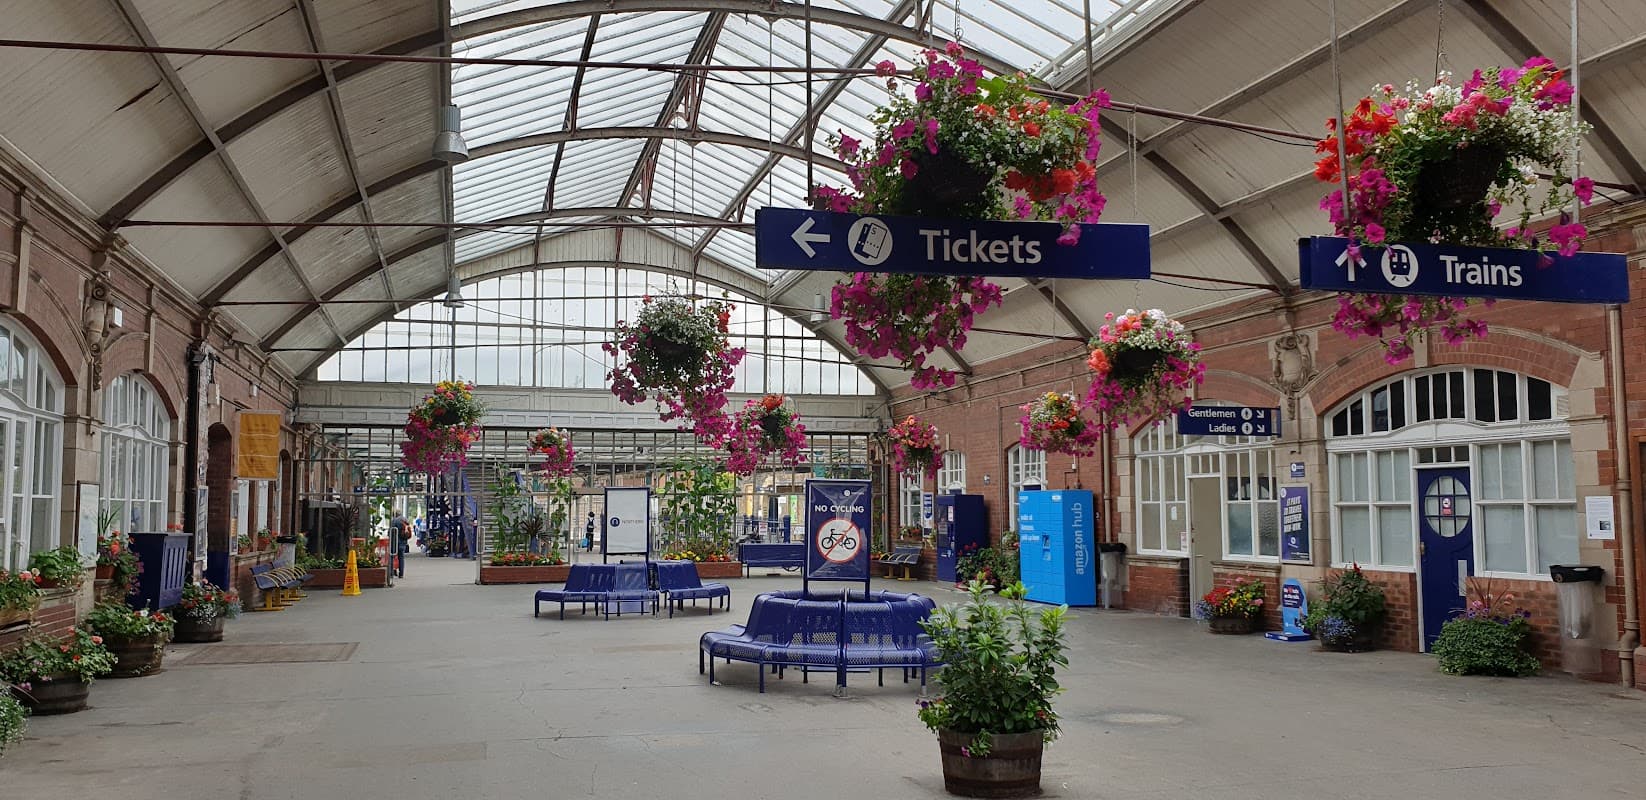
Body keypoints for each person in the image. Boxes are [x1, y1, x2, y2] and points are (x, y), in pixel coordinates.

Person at [390, 509, 409, 578]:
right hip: (403, 541)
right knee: (401, 557)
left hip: (395, 541)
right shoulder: (405, 520)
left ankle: (391, 572)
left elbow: (390, 531)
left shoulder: (394, 521)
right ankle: (401, 574)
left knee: (392, 556)